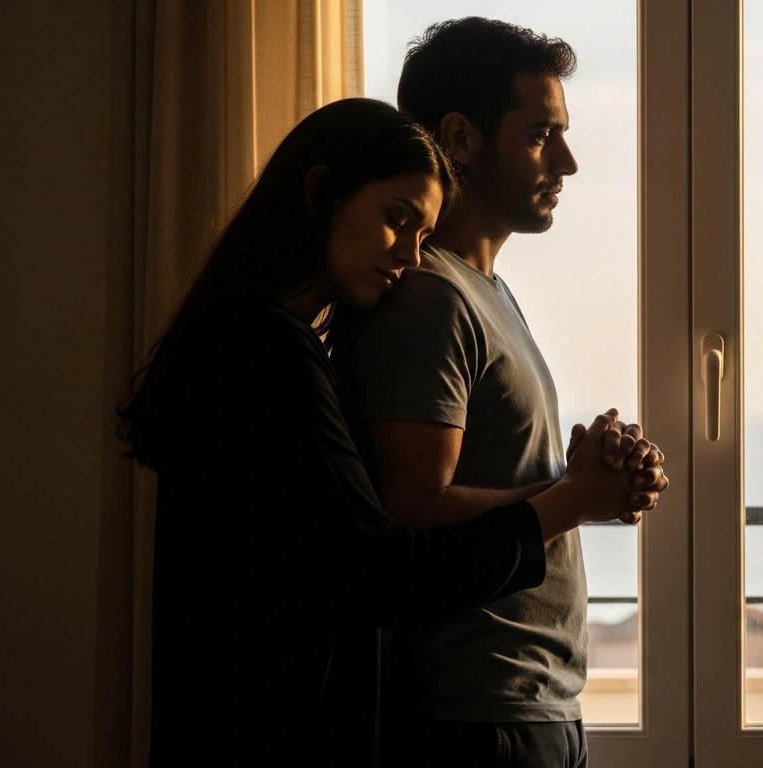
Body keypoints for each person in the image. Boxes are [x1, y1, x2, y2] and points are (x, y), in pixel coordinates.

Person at [117, 97, 660, 767]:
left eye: (420, 230)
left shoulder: (270, 342)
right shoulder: (262, 350)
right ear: (320, 193)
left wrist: (570, 490)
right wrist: (569, 500)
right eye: (395, 220)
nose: (409, 254)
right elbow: (381, 566)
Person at [330, 19, 667, 768]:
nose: (569, 162)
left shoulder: (483, 293)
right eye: (543, 135)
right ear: (461, 138)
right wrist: (577, 496)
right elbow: (413, 508)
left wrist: (586, 483)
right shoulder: (429, 301)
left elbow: (500, 490)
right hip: (476, 717)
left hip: (520, 705)